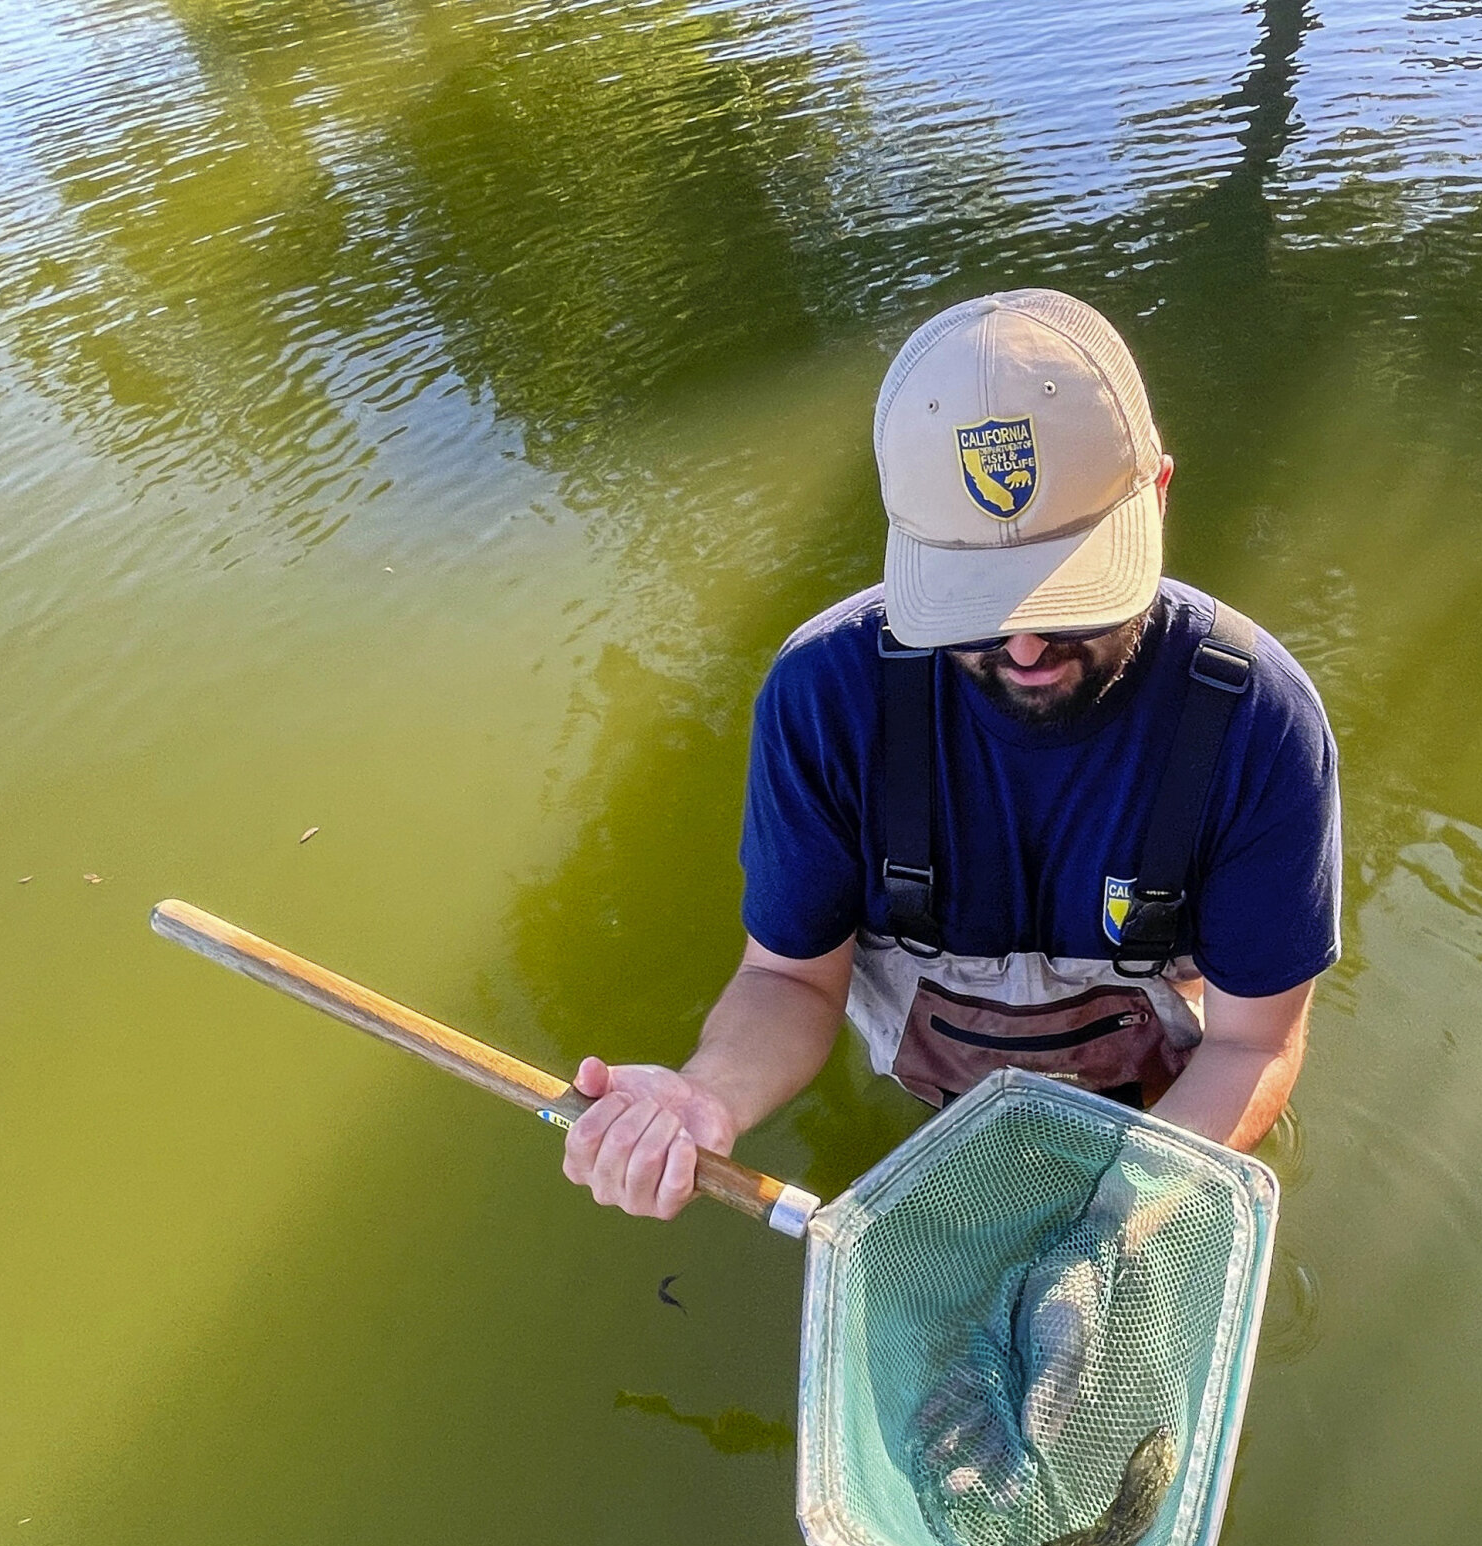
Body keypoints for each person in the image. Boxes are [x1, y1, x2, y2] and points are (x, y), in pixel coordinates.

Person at [565, 287, 1342, 1218]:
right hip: (931, 1100)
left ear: (1159, 496)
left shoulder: (1258, 722)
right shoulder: (826, 698)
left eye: (1068, 592)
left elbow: (1252, 1045)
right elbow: (789, 980)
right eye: (975, 599)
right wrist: (710, 1095)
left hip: (1168, 1109)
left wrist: (1121, 1212)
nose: (1024, 646)